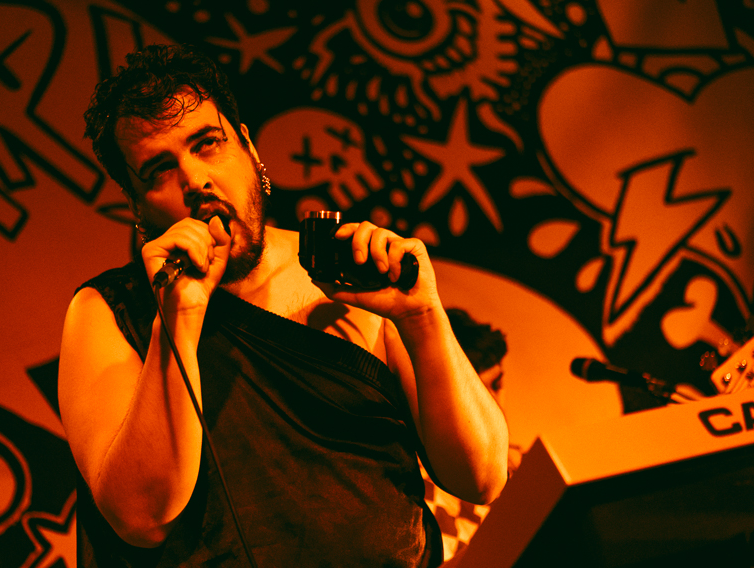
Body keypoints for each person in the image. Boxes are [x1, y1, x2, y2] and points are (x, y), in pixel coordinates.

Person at [58, 43, 509, 568]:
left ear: (249, 148)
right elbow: (141, 518)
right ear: (137, 207)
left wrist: (422, 317)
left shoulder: (351, 272)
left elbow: (482, 476)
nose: (195, 181)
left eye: (208, 145)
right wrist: (177, 320)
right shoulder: (110, 311)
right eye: (159, 170)